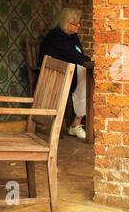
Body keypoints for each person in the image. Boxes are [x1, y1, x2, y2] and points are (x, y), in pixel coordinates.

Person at [39, 7, 91, 139]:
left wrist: (86, 60)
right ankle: (76, 123)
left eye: (79, 23)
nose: (78, 26)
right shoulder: (56, 36)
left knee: (88, 76)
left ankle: (77, 122)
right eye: (75, 23)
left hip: (69, 73)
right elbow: (76, 57)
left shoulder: (72, 36)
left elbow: (79, 55)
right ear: (65, 23)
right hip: (54, 75)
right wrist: (88, 60)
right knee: (87, 77)